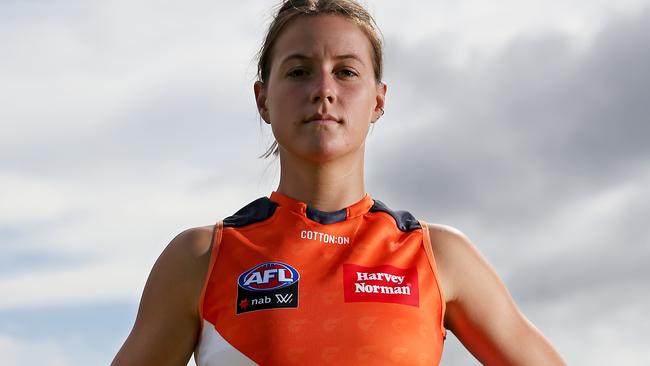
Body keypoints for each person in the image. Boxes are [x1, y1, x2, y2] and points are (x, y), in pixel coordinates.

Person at [112, 0, 565, 365]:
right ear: (263, 99)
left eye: (346, 71)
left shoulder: (437, 256)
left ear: (378, 100)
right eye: (298, 71)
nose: (323, 89)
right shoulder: (202, 258)